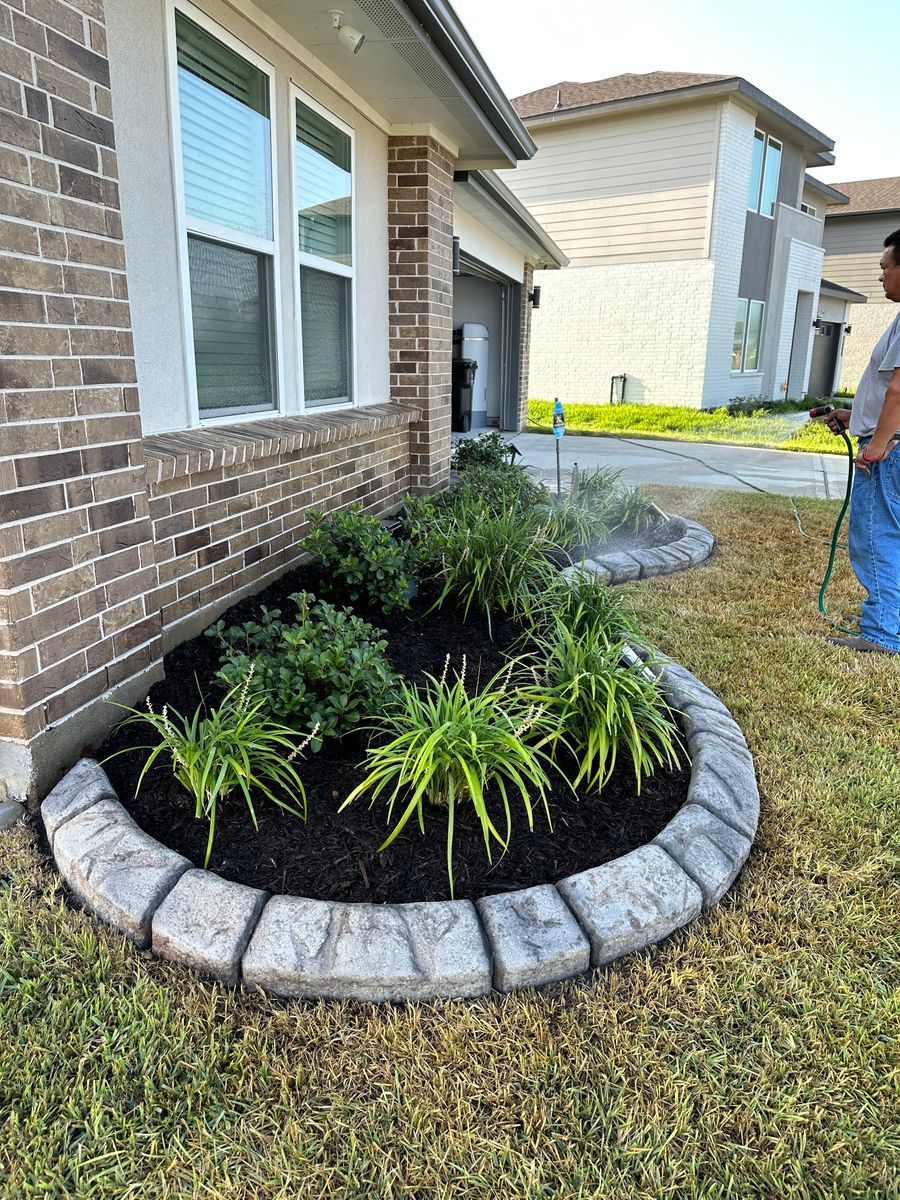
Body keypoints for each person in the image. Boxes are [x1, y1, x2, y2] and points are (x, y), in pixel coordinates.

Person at [822, 228, 900, 654]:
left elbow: (899, 392)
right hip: (890, 438)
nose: (881, 276)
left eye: (885, 268)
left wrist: (877, 445)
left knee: (876, 536)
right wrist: (860, 419)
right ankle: (889, 616)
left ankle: (883, 633)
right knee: (890, 535)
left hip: (892, 449)